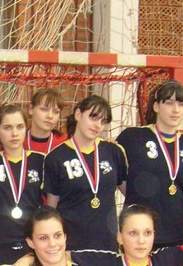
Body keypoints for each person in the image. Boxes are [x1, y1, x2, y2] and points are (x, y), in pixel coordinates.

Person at [117, 80, 183, 248]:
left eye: (181, 104)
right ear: (156, 106)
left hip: (180, 232)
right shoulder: (132, 137)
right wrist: (137, 194)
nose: (176, 109)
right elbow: (115, 176)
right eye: (169, 103)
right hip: (141, 234)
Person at [44, 95, 128, 251]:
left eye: (103, 121)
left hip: (107, 244)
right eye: (93, 117)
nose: (98, 125)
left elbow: (131, 194)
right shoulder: (55, 157)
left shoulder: (113, 151)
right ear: (78, 114)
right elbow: (51, 208)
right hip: (71, 246)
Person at [0, 104, 46, 266]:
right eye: (7, 127)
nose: (15, 133)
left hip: (32, 244)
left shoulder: (41, 161)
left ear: (26, 128)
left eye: (20, 126)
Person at [25, 88, 68, 154]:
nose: (50, 116)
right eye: (44, 110)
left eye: (56, 112)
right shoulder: (18, 140)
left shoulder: (66, 142)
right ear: (31, 109)